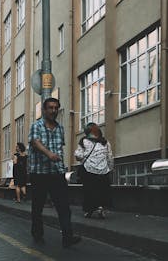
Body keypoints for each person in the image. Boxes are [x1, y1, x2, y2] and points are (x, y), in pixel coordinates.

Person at [28, 97, 81, 248]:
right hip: (39, 174)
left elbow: (60, 150)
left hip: (57, 173)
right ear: (44, 110)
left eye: (56, 108)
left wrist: (61, 165)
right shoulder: (36, 126)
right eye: (50, 108)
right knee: (37, 207)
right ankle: (37, 234)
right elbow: (35, 142)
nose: (53, 110)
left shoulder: (60, 129)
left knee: (64, 206)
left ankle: (67, 237)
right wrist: (48, 154)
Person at [75, 123, 114, 218]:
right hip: (103, 171)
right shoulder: (105, 142)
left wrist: (82, 155)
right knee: (102, 190)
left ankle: (89, 210)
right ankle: (101, 207)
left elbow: (78, 155)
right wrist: (110, 168)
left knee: (89, 190)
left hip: (89, 170)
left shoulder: (84, 141)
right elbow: (109, 157)